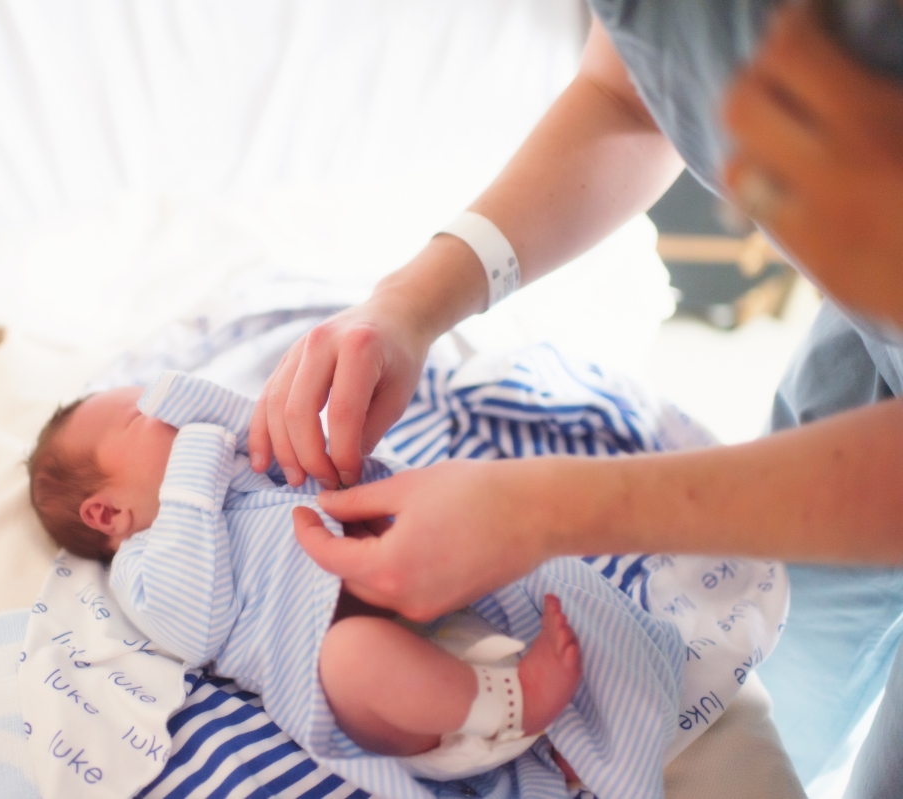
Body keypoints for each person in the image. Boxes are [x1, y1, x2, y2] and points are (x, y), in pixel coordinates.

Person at [248, 1, 903, 792]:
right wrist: (410, 303)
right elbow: (628, 94)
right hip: (869, 368)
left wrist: (538, 512)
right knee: (774, 693)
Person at [25, 373, 587, 795]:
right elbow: (198, 625)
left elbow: (294, 447)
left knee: (459, 533)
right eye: (136, 416)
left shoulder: (242, 485)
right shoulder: (142, 562)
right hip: (368, 700)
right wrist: (193, 464)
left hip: (434, 618)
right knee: (354, 654)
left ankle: (562, 732)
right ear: (106, 514)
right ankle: (515, 705)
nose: (162, 410)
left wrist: (224, 425)